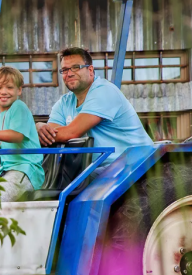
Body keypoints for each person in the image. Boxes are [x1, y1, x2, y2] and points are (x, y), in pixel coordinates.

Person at [36, 47, 153, 178]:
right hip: (100, 167)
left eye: (75, 67)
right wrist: (39, 128)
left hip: (133, 165)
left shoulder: (104, 91)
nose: (69, 74)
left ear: (90, 70)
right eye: (64, 70)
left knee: (71, 181)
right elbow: (49, 135)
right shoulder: (64, 102)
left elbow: (70, 133)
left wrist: (37, 132)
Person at [0, 66, 45, 202]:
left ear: (19, 90)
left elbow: (17, 136)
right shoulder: (0, 116)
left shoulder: (19, 107)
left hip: (24, 170)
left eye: (9, 87)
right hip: (6, 170)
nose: (4, 92)